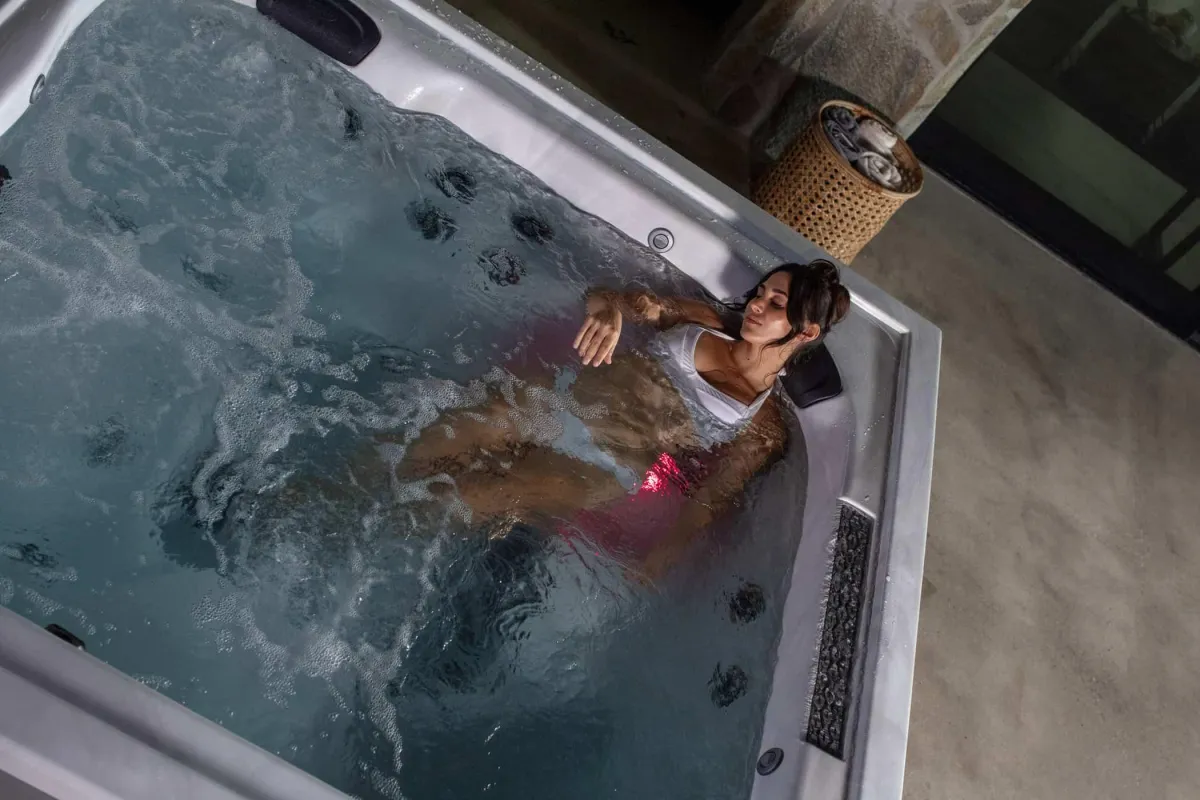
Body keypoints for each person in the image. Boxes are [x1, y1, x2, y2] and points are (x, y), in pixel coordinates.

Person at [392, 259, 850, 578]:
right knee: (423, 450)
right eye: (761, 293)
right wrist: (610, 310)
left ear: (805, 331)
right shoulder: (704, 320)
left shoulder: (764, 425)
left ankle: (376, 536)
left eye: (776, 304)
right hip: (559, 402)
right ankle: (354, 495)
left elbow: (713, 498)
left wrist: (659, 561)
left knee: (465, 498)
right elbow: (618, 299)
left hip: (603, 464)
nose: (755, 305)